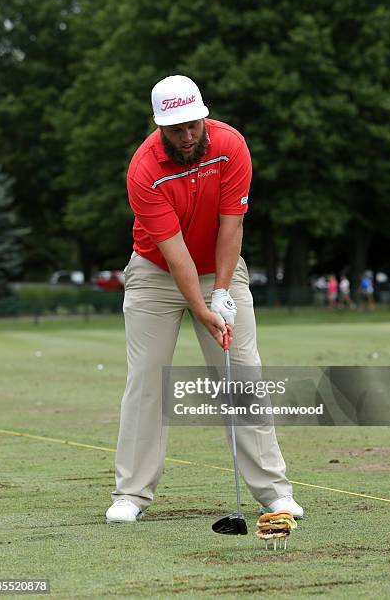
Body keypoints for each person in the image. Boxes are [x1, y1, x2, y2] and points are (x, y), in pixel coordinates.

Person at [106, 75, 303, 523]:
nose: (188, 135)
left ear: (203, 114)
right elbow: (175, 254)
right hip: (156, 273)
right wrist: (201, 306)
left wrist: (221, 294)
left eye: (193, 124)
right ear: (160, 126)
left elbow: (231, 226)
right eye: (176, 129)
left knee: (243, 376)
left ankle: (274, 491)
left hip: (221, 267)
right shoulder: (144, 169)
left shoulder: (231, 146)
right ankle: (131, 496)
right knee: (148, 381)